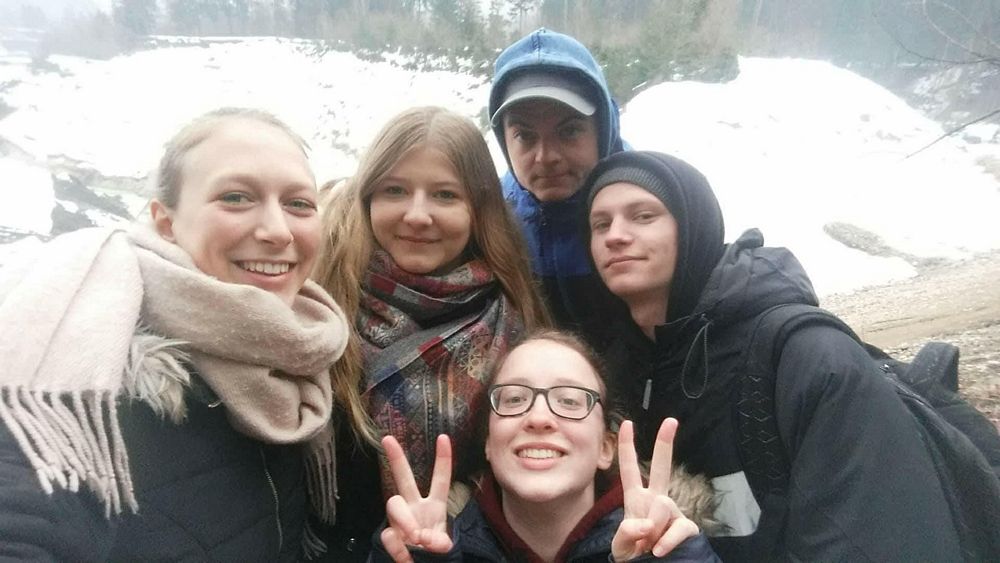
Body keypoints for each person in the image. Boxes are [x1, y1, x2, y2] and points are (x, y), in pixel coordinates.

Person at [0, 108, 352, 559]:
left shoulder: (302, 351)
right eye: (236, 198)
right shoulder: (87, 373)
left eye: (298, 204)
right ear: (166, 222)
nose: (278, 231)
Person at [582, 150, 966, 561]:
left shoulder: (805, 356)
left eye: (643, 216)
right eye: (600, 224)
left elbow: (878, 537)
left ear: (693, 226)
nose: (615, 235)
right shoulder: (614, 373)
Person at [311, 106, 549, 560]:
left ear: (479, 210)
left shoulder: (517, 326)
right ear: (367, 197)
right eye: (395, 190)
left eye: (444, 195)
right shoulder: (319, 307)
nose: (418, 215)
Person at [370, 329, 721, 563]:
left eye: (569, 400)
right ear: (488, 443)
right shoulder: (431, 548)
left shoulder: (671, 547)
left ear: (606, 447)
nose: (539, 417)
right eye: (514, 398)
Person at [488, 28, 627, 347]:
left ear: (602, 129)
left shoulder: (651, 207)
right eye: (524, 135)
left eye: (569, 131)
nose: (546, 157)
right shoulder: (489, 219)